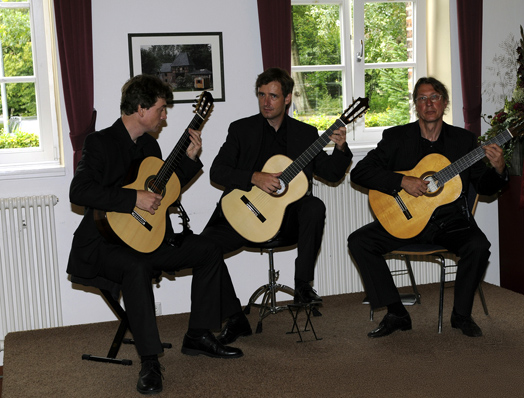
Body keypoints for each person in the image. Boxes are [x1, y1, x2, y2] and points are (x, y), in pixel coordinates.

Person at [67, 74, 244, 395]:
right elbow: (79, 191)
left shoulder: (150, 145)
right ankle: (150, 360)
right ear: (140, 108)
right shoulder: (99, 142)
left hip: (148, 236)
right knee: (135, 268)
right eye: (161, 110)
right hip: (104, 243)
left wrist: (189, 160)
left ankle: (198, 335)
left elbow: (164, 193)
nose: (165, 117)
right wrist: (133, 198)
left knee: (207, 248)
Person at [200, 67, 353, 345]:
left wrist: (340, 150)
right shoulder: (241, 129)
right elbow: (217, 172)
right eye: (261, 95)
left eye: (272, 95)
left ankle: (303, 286)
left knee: (314, 206)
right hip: (245, 213)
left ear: (287, 99)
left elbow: (330, 174)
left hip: (287, 219)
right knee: (203, 248)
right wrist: (254, 177)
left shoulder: (306, 134)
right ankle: (234, 318)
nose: (266, 102)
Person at [348, 76, 507, 339]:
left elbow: (485, 186)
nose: (429, 103)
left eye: (434, 97)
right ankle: (397, 312)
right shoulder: (397, 138)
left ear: (444, 103)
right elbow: (360, 173)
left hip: (450, 223)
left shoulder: (464, 141)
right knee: (359, 241)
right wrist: (402, 181)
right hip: (406, 219)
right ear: (416, 105)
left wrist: (499, 168)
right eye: (422, 98)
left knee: (479, 246)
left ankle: (461, 315)